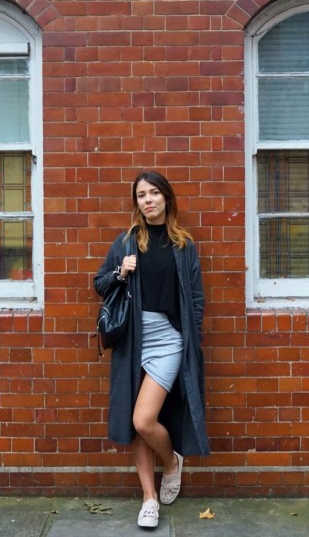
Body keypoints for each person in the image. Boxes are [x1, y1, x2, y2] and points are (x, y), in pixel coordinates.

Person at [93, 171, 209, 528]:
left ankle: (171, 463)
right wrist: (120, 272)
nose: (148, 200)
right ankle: (149, 499)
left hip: (169, 341)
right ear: (137, 202)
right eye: (141, 195)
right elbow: (99, 284)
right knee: (135, 423)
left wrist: (190, 338)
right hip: (133, 338)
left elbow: (196, 299)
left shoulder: (183, 245)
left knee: (144, 419)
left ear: (166, 198)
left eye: (154, 193)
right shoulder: (127, 242)